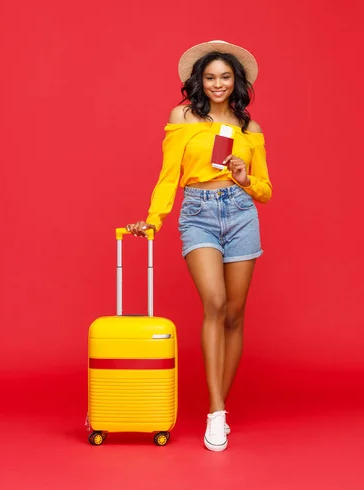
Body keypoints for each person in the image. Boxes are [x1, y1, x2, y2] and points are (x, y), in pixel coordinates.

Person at [126, 40, 272, 452]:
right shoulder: (183, 117)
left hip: (241, 212)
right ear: (199, 81)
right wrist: (154, 219)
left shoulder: (250, 130)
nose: (218, 84)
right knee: (216, 303)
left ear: (237, 80)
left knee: (235, 315)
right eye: (210, 77)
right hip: (199, 213)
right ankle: (216, 410)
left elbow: (265, 191)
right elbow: (168, 173)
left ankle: (218, 409)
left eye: (225, 77)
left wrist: (244, 177)